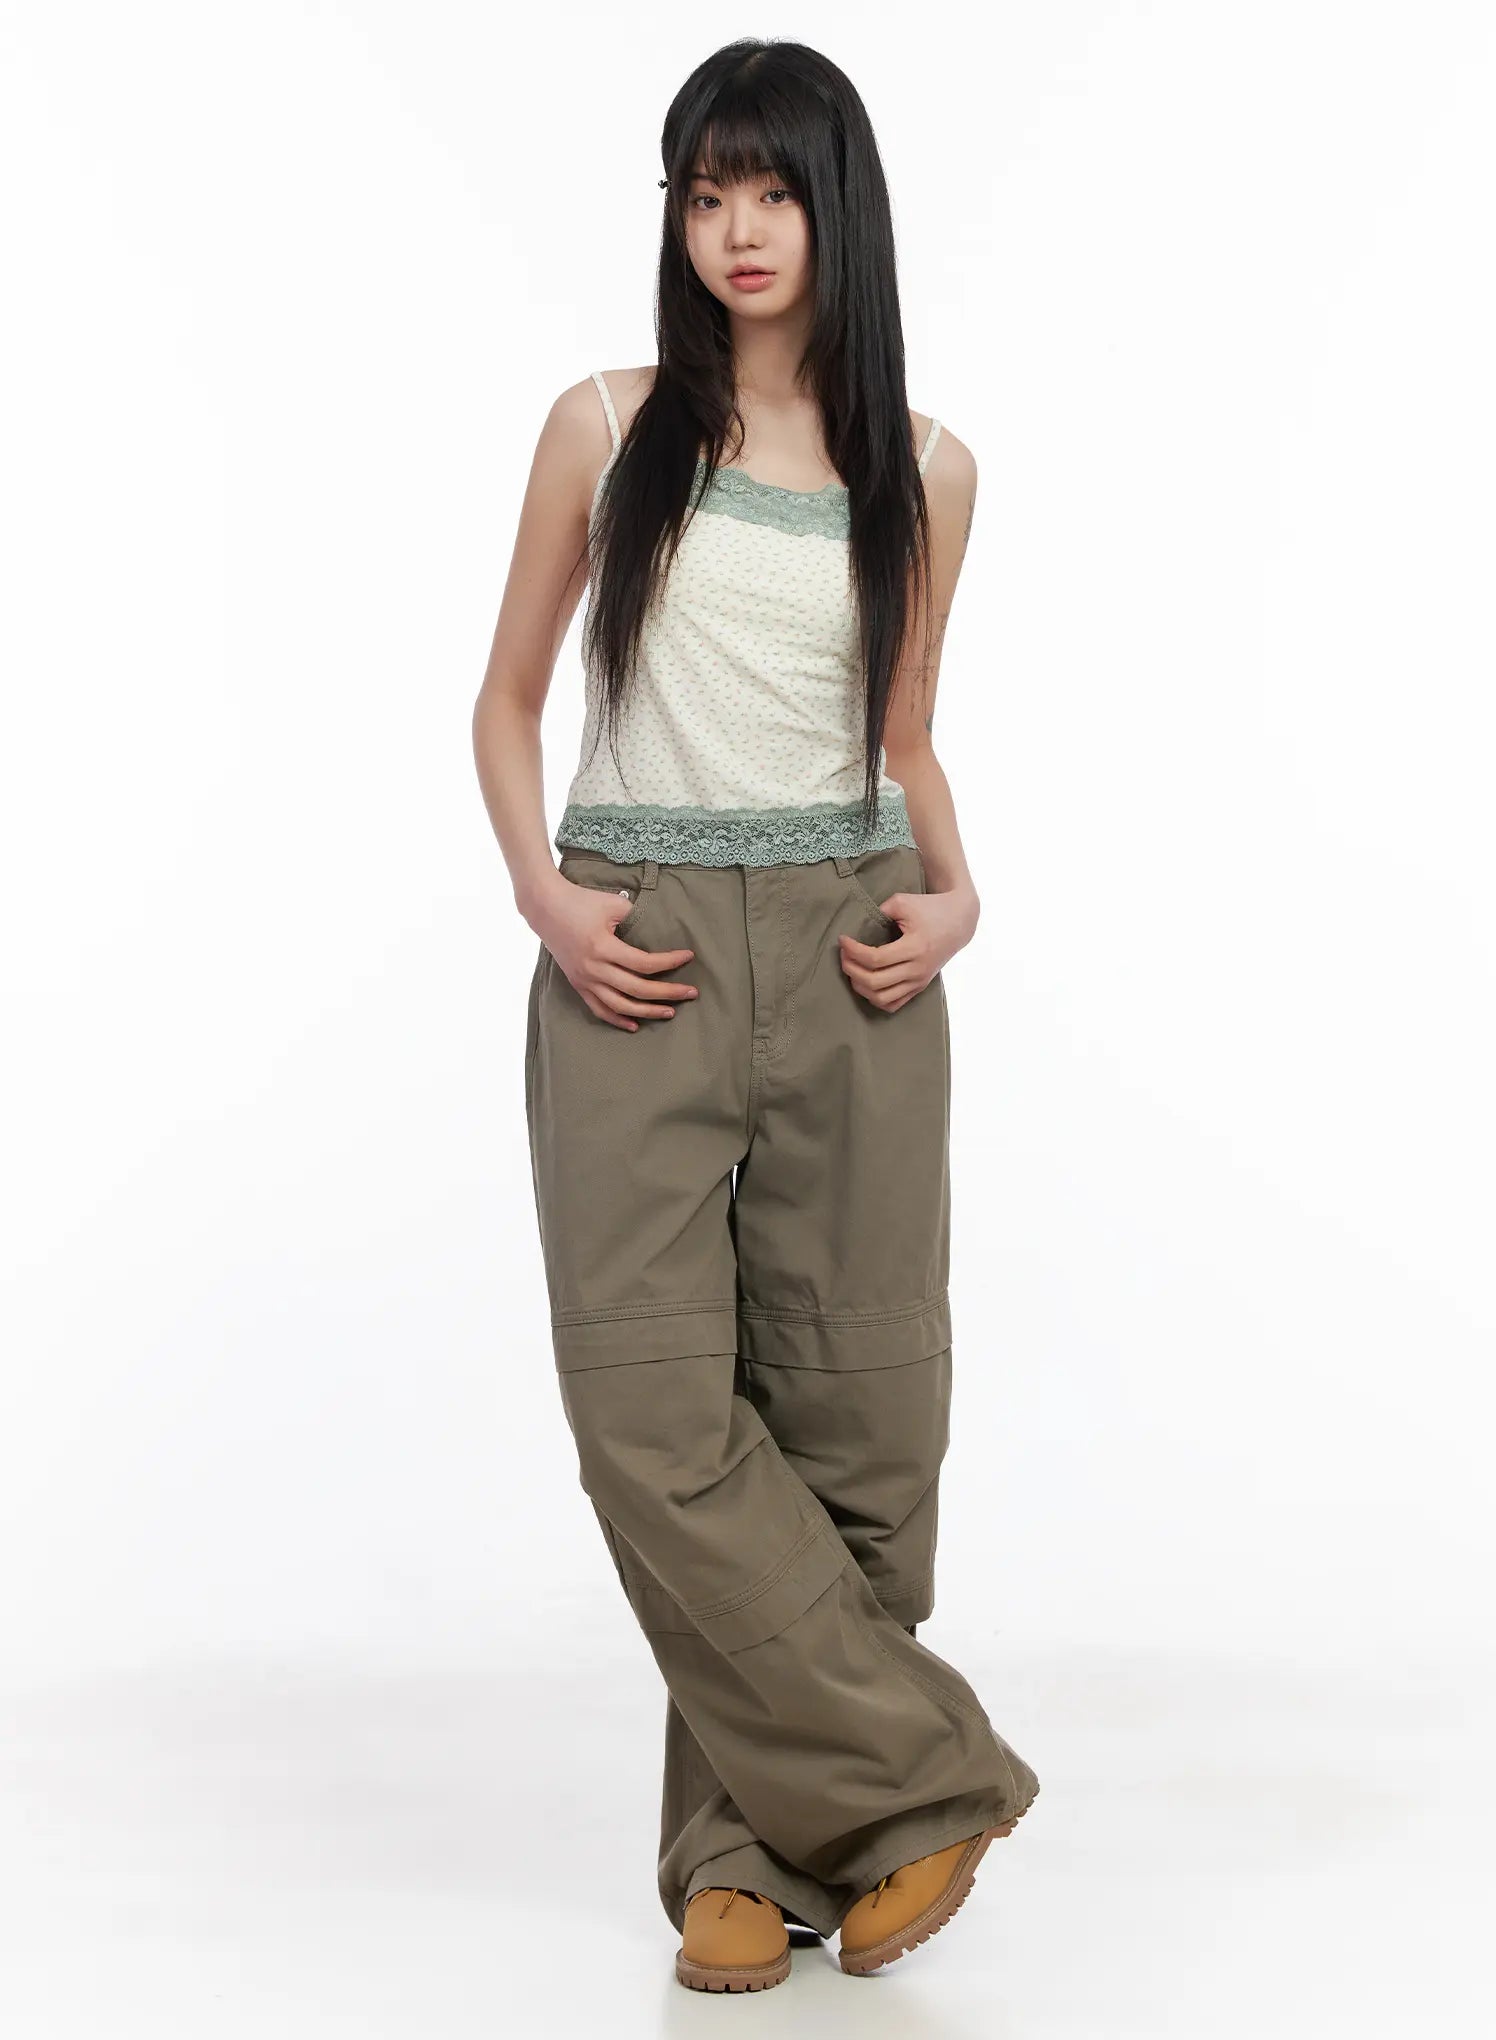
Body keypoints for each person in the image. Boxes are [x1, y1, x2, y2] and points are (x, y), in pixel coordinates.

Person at [471, 36, 1038, 1994]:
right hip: (634, 950)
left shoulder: (926, 469)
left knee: (855, 1411)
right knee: (649, 1406)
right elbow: (506, 700)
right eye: (705, 192)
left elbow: (905, 735)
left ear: (834, 209)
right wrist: (545, 893)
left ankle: (744, 1861)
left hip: (854, 940)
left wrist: (962, 896)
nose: (736, 228)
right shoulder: (604, 425)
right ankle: (920, 1783)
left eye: (772, 190)